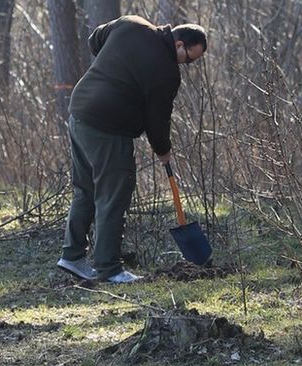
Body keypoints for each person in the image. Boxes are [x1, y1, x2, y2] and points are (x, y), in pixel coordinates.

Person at [60, 17, 208, 285]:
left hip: (79, 112)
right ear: (178, 43)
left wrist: (115, 61)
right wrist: (163, 149)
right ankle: (108, 267)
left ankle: (72, 256)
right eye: (188, 59)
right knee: (113, 195)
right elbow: (157, 119)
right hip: (109, 128)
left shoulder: (131, 24)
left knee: (85, 190)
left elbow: (95, 39)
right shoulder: (166, 72)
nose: (185, 65)